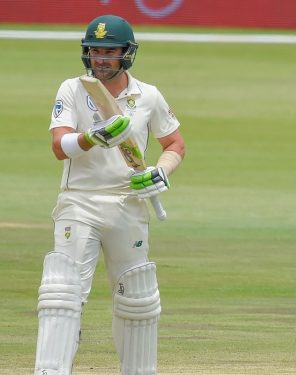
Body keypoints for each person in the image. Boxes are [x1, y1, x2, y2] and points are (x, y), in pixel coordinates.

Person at [34, 14, 185, 375]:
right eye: (94, 50)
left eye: (109, 51)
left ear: (126, 54)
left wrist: (160, 171)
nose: (101, 58)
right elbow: (60, 146)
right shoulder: (73, 89)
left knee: (137, 298)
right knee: (62, 293)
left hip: (127, 205)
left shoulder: (147, 95)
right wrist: (93, 137)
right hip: (79, 202)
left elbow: (175, 143)